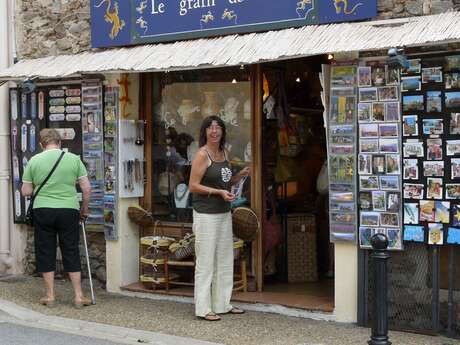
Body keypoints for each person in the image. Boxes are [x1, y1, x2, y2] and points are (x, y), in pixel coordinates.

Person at [21, 128, 92, 308]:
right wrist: (84, 209)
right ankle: (78, 296)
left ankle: (50, 296)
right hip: (69, 210)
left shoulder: (34, 161)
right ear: (60, 143)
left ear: (41, 144)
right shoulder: (74, 159)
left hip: (43, 210)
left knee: (45, 250)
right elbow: (86, 189)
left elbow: (26, 191)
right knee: (71, 249)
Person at [189, 115, 250, 321]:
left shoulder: (224, 153)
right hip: (206, 214)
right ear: (204, 132)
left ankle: (223, 303)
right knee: (205, 261)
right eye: (210, 128)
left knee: (224, 259)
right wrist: (218, 194)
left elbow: (224, 182)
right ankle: (203, 308)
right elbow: (193, 186)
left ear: (223, 131)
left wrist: (239, 176)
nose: (214, 131)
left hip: (224, 212)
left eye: (218, 127)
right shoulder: (202, 154)